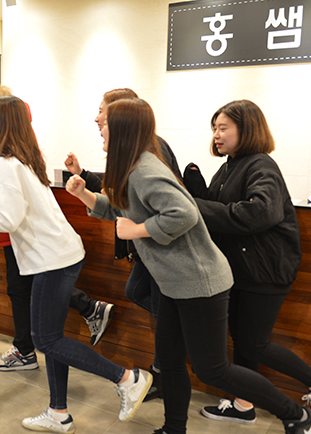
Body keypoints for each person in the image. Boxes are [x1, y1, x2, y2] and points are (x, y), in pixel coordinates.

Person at [66, 98, 311, 434]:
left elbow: (184, 214)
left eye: (104, 124)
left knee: (213, 370)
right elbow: (124, 209)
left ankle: (299, 416)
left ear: (123, 130)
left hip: (199, 282)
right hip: (173, 282)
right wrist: (85, 195)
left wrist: (138, 230)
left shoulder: (145, 170)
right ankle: (173, 429)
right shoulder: (134, 167)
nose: (99, 128)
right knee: (171, 362)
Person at [0, 95, 151, 432]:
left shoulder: (6, 164)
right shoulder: (23, 158)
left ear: (2, 125)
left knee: (46, 340)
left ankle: (126, 378)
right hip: (60, 255)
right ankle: (58, 412)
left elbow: (7, 219)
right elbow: (13, 207)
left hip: (51, 260)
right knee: (53, 337)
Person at [0, 64, 113, 372]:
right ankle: (46, 358)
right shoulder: (15, 147)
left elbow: (7, 212)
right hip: (51, 246)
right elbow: (2, 190)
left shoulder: (7, 154)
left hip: (42, 246)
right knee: (35, 307)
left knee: (40, 323)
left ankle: (122, 376)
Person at [183, 100, 311, 426]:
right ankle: (244, 405)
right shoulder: (230, 166)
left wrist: (197, 206)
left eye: (223, 128)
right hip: (241, 270)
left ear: (247, 129)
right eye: (214, 128)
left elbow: (259, 213)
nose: (216, 135)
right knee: (243, 342)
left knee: (253, 344)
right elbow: (219, 209)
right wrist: (196, 192)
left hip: (265, 271)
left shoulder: (261, 166)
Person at [63, 88, 181, 401]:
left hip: (160, 248)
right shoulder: (130, 153)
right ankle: (171, 344)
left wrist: (139, 228)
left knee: (164, 312)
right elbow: (118, 196)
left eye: (102, 111)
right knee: (138, 293)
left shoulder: (150, 153)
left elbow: (177, 210)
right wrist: (83, 180)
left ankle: (164, 372)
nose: (97, 119)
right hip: (146, 248)